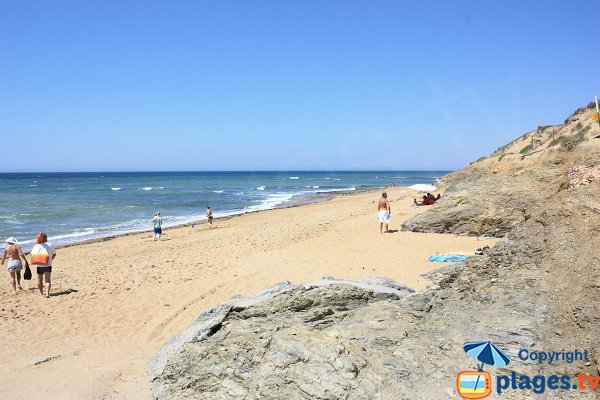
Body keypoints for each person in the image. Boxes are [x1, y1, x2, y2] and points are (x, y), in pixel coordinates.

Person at [30, 232, 56, 298]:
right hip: (47, 264)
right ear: (45, 238)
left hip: (39, 265)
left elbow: (32, 254)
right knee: (47, 280)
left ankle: (41, 293)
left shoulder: (36, 246)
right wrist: (50, 260)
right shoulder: (50, 245)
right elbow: (54, 254)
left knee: (39, 280)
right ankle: (47, 293)